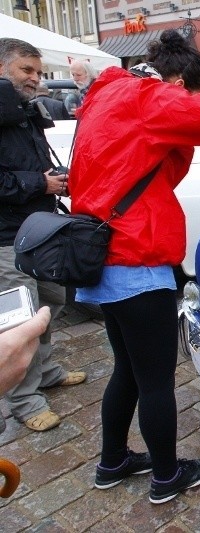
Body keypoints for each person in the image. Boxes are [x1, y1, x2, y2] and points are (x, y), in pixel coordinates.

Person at [69, 30, 200, 504]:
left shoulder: (108, 92)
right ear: (176, 81)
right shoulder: (149, 98)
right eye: (188, 94)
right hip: (135, 256)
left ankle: (112, 462)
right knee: (155, 379)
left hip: (103, 258)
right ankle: (167, 476)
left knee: (126, 370)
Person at [0, 38, 86, 433]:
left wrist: (54, 183)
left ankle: (45, 372)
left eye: (37, 71)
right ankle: (24, 400)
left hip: (38, 230)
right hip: (5, 238)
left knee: (50, 302)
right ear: (2, 69)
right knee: (19, 321)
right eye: (26, 70)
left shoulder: (20, 111)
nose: (35, 78)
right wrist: (41, 183)